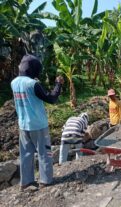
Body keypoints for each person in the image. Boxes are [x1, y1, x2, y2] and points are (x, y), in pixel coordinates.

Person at [11, 54, 64, 191]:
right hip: (38, 125)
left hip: (23, 124)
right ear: (34, 69)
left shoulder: (14, 82)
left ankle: (26, 182)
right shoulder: (32, 84)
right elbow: (51, 98)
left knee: (26, 154)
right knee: (44, 152)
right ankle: (45, 180)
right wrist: (58, 84)